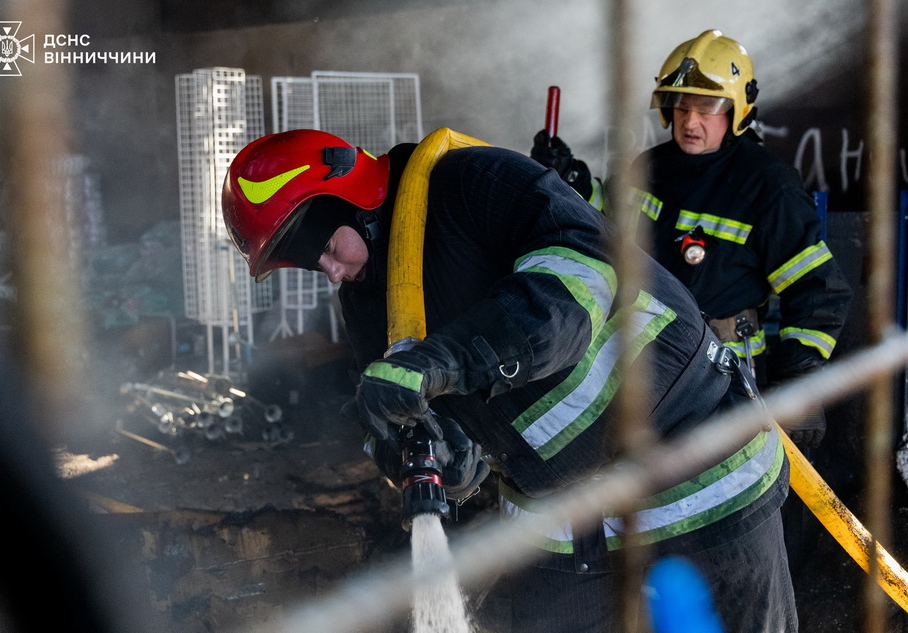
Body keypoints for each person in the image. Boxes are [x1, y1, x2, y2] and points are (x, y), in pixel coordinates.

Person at [221, 128, 797, 632]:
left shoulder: (471, 183)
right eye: (314, 265)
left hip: (695, 478)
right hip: (569, 529)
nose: (334, 271)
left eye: (326, 247)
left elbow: (577, 285)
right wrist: (420, 452)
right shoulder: (370, 301)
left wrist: (444, 360)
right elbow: (425, 418)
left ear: (352, 196)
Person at [531, 30, 853, 445]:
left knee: (717, 492)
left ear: (738, 110)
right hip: (636, 357)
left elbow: (818, 288)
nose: (690, 121)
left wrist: (800, 381)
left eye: (707, 107)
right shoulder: (649, 166)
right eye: (680, 106)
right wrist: (572, 178)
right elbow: (605, 226)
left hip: (720, 373)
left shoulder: (768, 187)